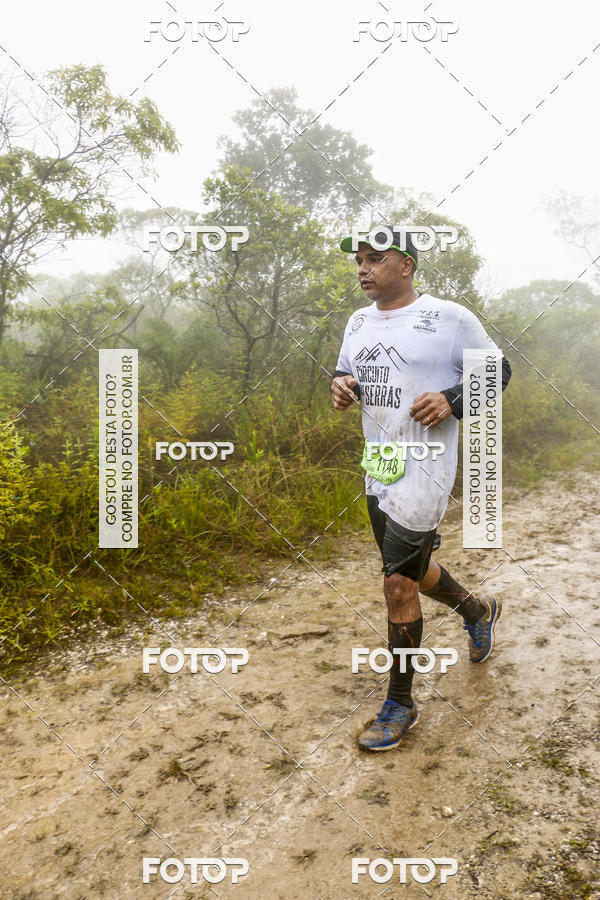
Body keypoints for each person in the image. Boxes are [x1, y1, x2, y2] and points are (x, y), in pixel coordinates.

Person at [331, 227, 511, 752]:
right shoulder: (358, 321)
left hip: (426, 466)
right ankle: (476, 610)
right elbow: (345, 372)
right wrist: (341, 385)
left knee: (397, 586)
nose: (362, 269)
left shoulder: (449, 317)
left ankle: (400, 703)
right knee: (407, 568)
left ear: (406, 265)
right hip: (379, 461)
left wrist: (453, 399)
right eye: (359, 261)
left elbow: (498, 371)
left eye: (374, 259)